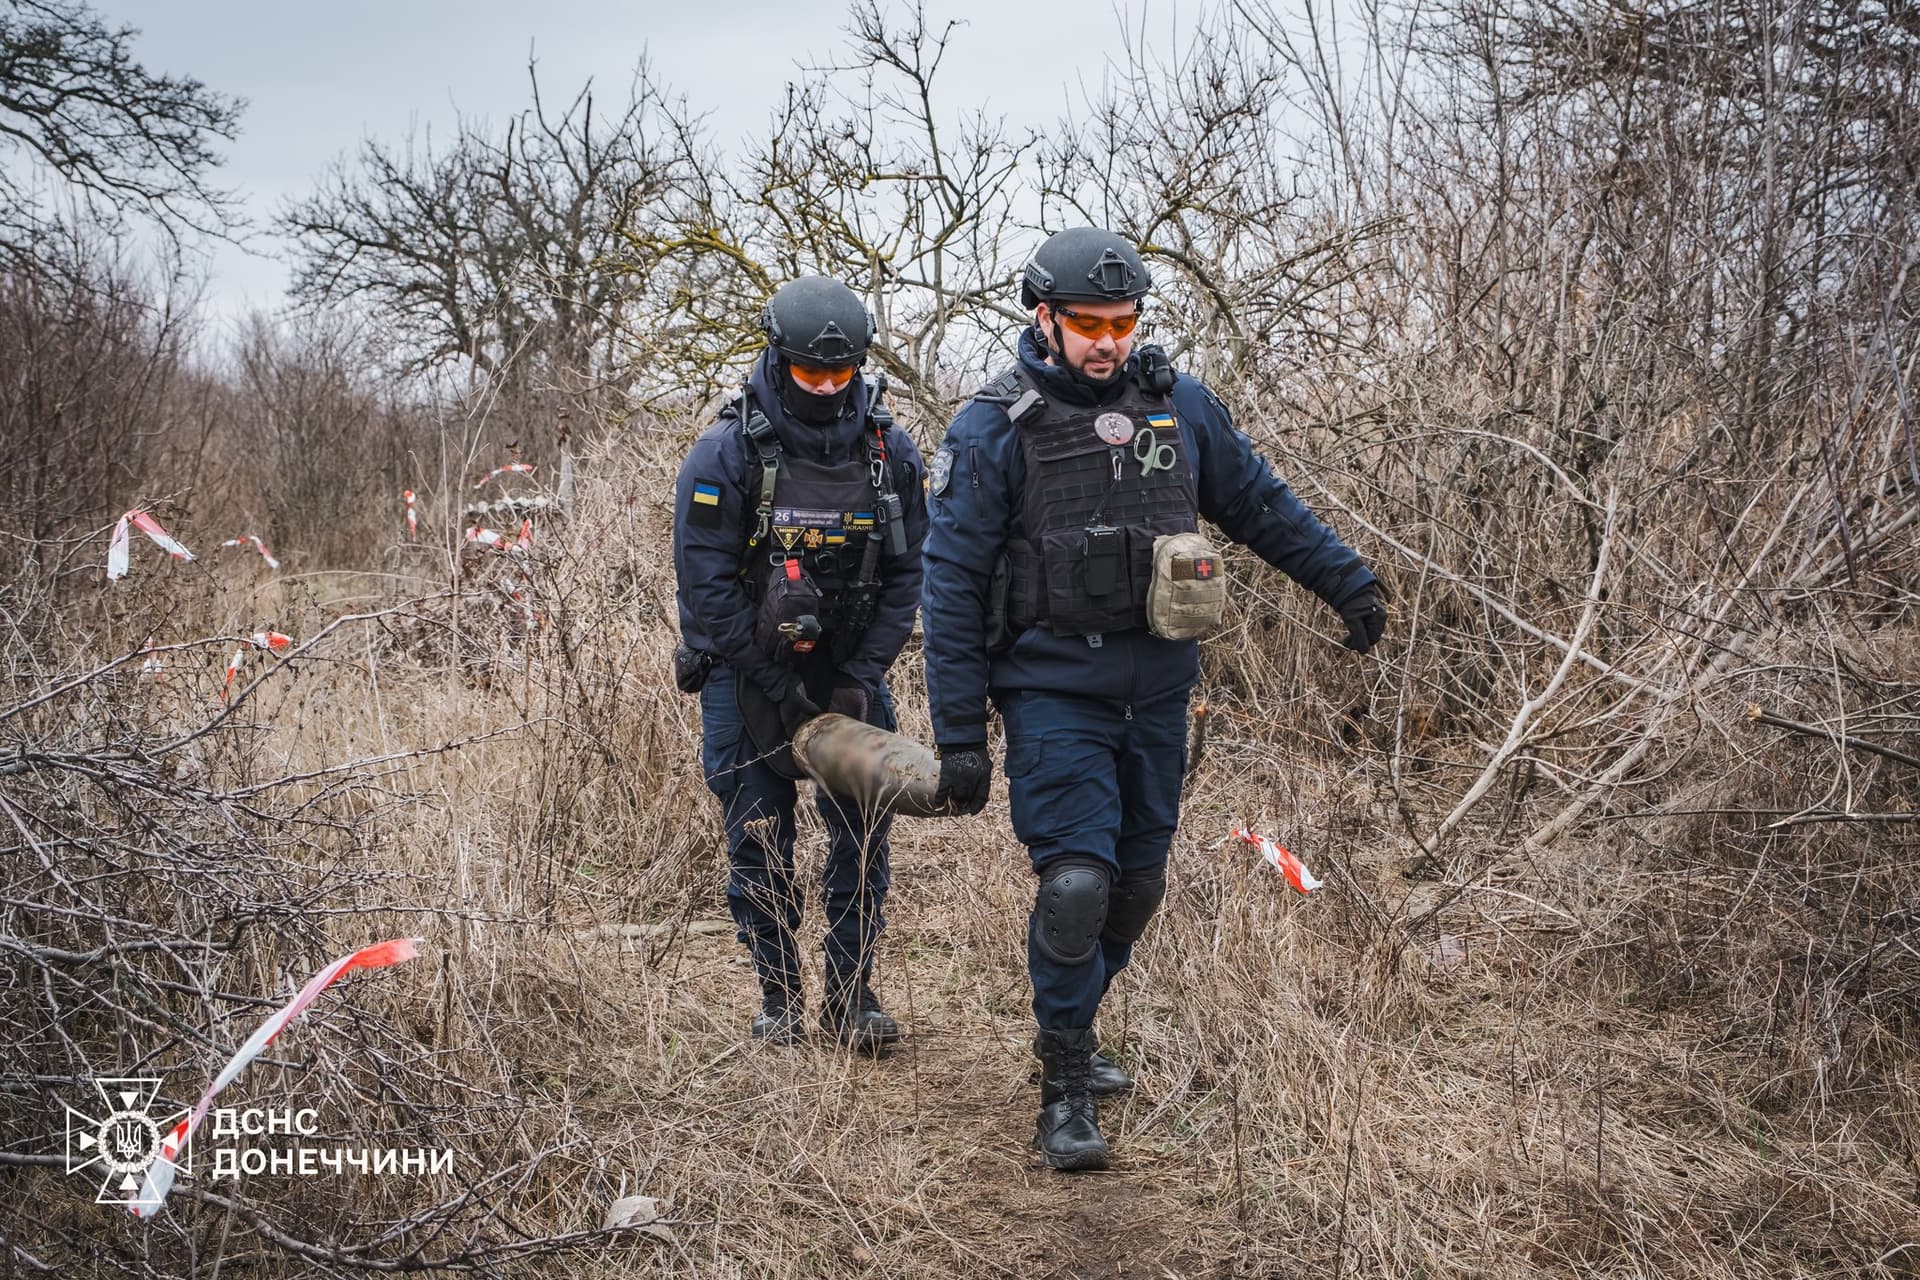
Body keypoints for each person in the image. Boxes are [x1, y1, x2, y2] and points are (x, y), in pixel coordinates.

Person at [920, 228, 1386, 1168]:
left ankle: (1076, 1031)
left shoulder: (1181, 410)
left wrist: (1348, 581)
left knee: (1136, 889)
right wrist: (960, 733)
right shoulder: (991, 429)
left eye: (1122, 322)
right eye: (1088, 322)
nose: (1107, 340)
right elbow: (952, 582)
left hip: (1161, 693)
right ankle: (1062, 1092)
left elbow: (1261, 506)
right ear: (1043, 318)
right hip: (1053, 691)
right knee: (1077, 884)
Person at [672, 276, 928, 1055]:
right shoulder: (724, 452)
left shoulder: (891, 451)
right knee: (759, 837)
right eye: (810, 372)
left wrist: (866, 672)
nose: (825, 386)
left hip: (851, 672)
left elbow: (911, 574)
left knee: (861, 836)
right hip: (744, 672)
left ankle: (853, 997)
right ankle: (779, 997)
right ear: (777, 359)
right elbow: (707, 590)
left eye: (840, 372)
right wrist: (778, 686)